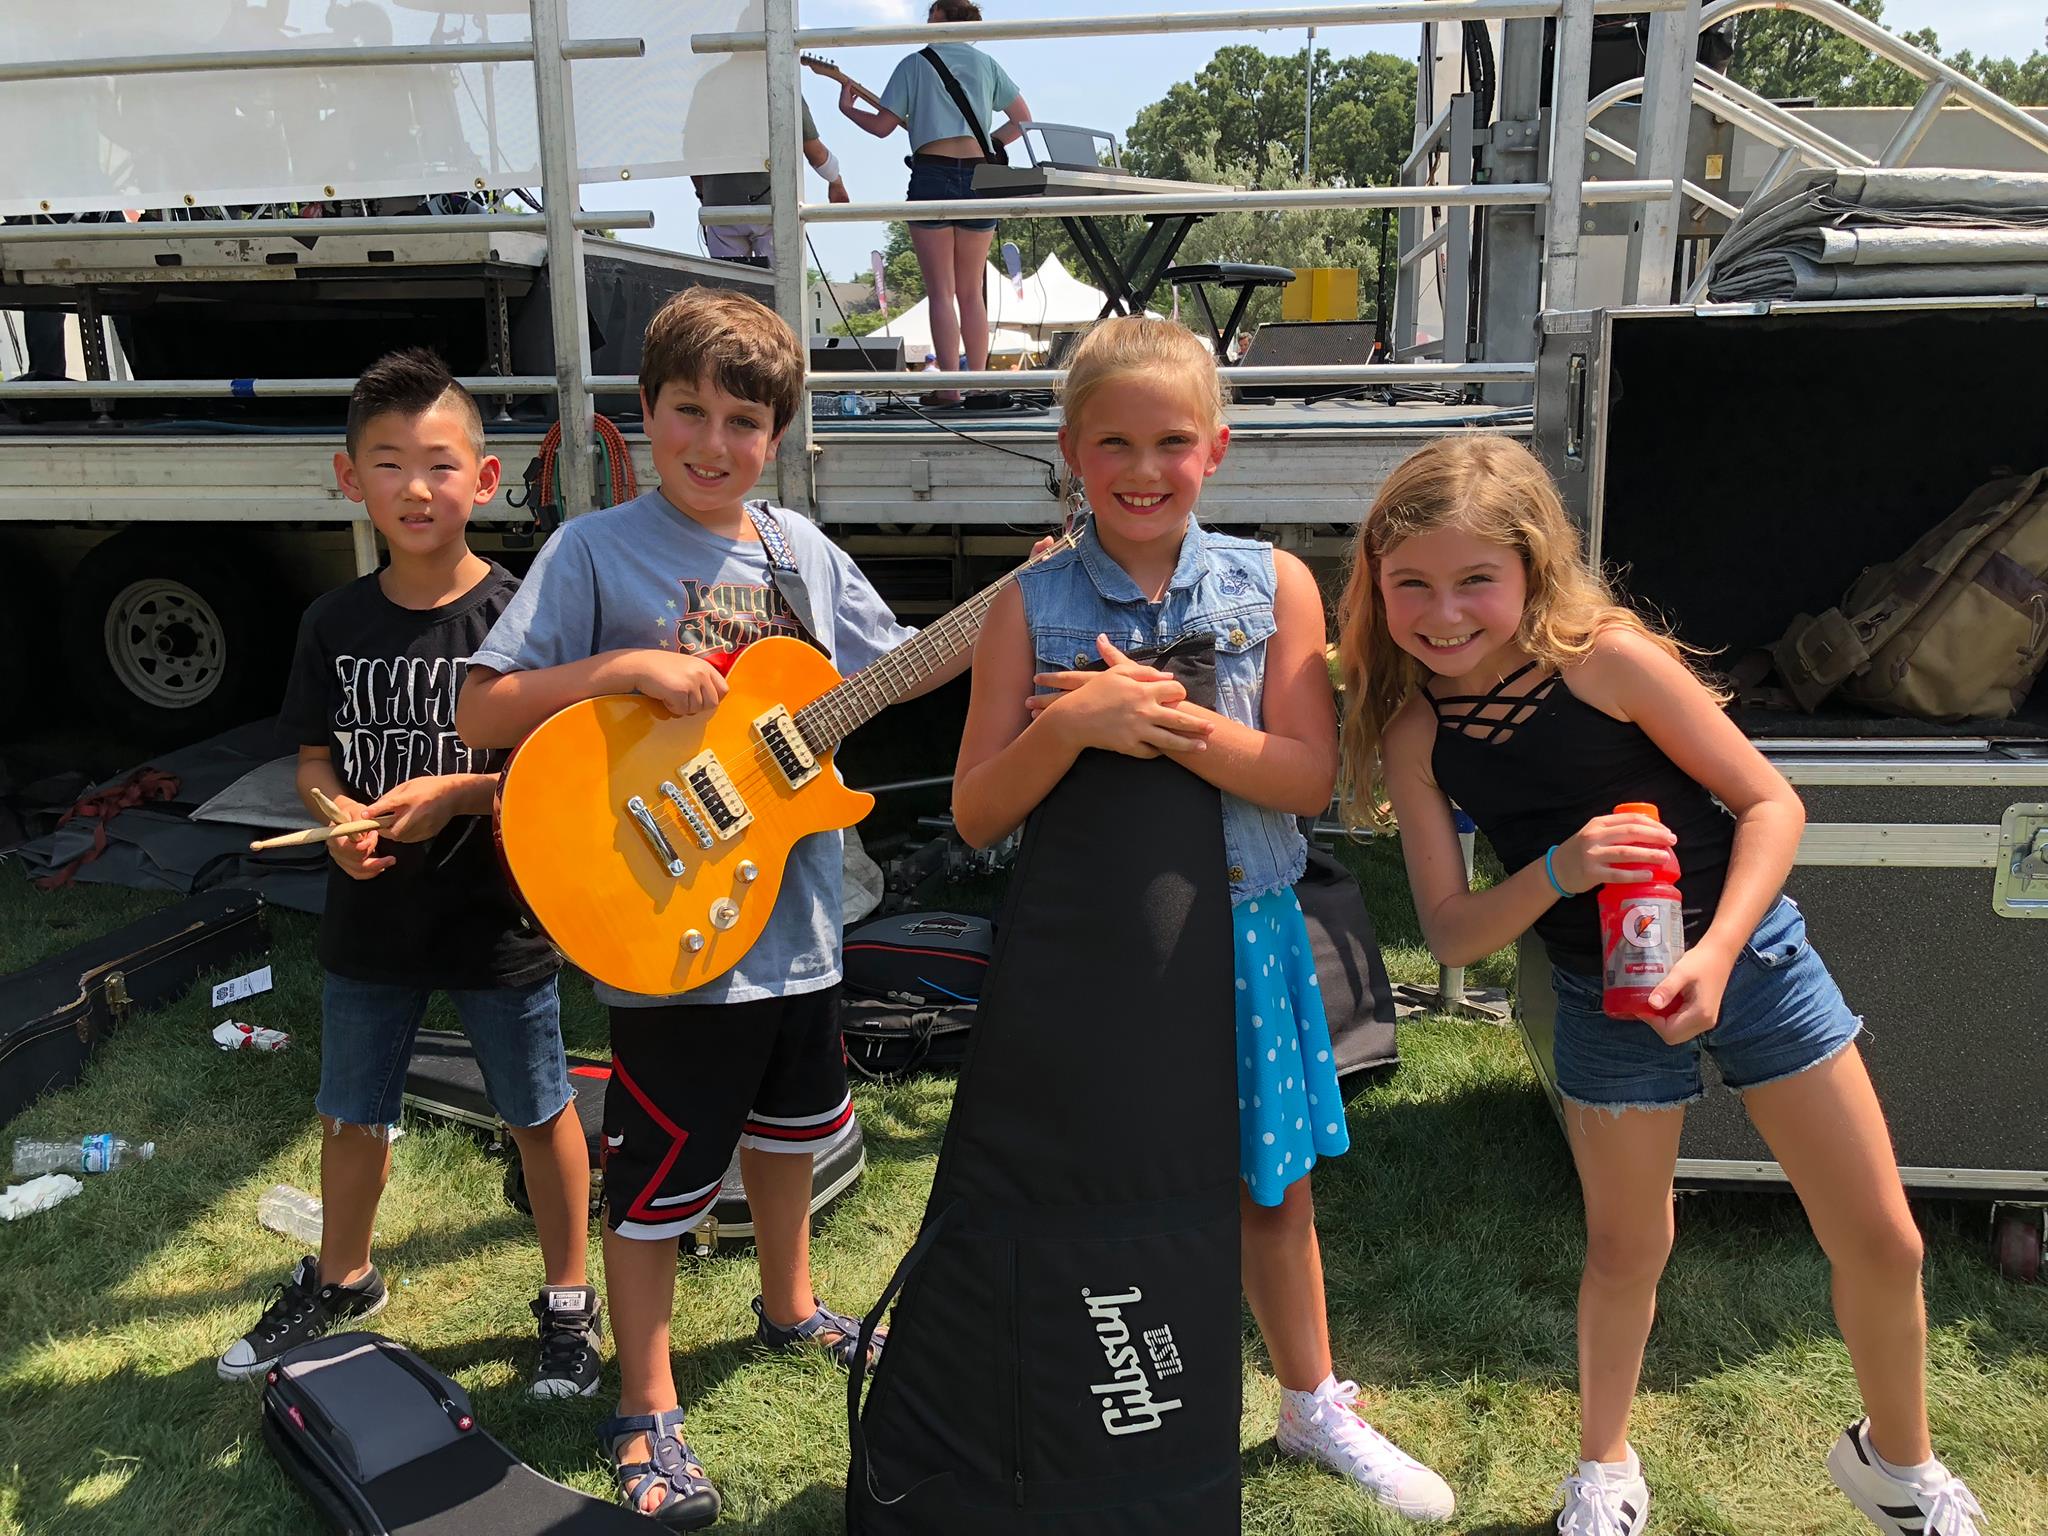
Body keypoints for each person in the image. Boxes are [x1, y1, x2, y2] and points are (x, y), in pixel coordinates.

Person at [1333, 434, 1986, 1536]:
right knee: (1627, 1249)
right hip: (1599, 996)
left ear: (1532, 569)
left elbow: (1770, 805)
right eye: (1412, 586)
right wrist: (1558, 870)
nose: (1443, 614)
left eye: (1473, 581)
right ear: (1376, 584)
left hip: (1752, 958)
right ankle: (1602, 1470)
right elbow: (1450, 937)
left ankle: (1898, 1470)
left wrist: (1716, 954)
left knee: (1882, 1238)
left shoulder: (1607, 659)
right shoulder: (1416, 731)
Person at [457, 288, 963, 1528]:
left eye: (743, 420)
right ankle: (643, 1396)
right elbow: (484, 711)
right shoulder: (593, 551)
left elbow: (897, 666)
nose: (713, 442)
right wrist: (621, 668)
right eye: (689, 411)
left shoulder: (801, 553)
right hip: (668, 926)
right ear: (646, 413)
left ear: (775, 436)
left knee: (795, 1130)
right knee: (660, 1178)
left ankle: (788, 1305)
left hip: (795, 927)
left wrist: (1028, 606)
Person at [951, 316, 1457, 1523]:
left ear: (1216, 448)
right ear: (1070, 449)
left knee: (1266, 1193)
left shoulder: (1271, 583)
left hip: (1240, 935)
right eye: (1112, 442)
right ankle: (1100, 1397)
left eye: (1171, 440)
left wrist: (1164, 721)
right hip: (1093, 962)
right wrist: (1066, 727)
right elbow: (975, 814)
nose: (1141, 468)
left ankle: (1310, 1401)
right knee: (1104, 1188)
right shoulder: (1020, 607)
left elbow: (1303, 776)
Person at [217, 350, 600, 1400]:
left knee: (538, 1111)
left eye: (439, 464)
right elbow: (310, 761)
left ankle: (569, 1302)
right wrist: (337, 820)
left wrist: (455, 798)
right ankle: (343, 1277)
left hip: (497, 917)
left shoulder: (526, 618)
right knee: (350, 1111)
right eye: (389, 465)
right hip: (370, 920)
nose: (415, 488)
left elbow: (557, 775)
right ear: (351, 481)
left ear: (484, 480)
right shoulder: (331, 623)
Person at [836, 0, 1031, 403]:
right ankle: (980, 386)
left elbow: (882, 127)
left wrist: (847, 109)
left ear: (942, 18)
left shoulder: (914, 63)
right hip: (980, 175)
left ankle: (950, 388)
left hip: (931, 173)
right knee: (970, 292)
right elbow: (1022, 120)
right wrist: (991, 142)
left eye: (930, 16)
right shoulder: (987, 64)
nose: (925, 23)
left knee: (940, 291)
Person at [692, 98, 849, 267]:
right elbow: (816, 153)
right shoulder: (781, 81)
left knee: (730, 287)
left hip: (720, 207)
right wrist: (836, 182)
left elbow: (690, 154)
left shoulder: (706, 88)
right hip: (774, 207)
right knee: (781, 285)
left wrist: (704, 194)